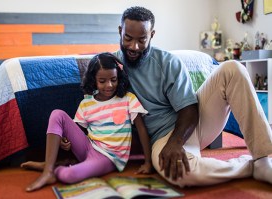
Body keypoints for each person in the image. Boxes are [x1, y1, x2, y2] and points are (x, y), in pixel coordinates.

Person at [112, 6, 272, 187]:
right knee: (180, 174)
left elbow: (189, 109)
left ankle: (262, 158)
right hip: (160, 137)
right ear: (120, 31)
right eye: (128, 38)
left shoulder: (167, 62)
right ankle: (249, 166)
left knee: (232, 69)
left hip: (194, 123)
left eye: (142, 40)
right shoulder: (112, 66)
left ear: (152, 35)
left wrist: (175, 143)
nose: (134, 46)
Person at [20, 52, 153, 192]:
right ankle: (48, 171)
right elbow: (76, 132)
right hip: (87, 148)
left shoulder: (128, 99)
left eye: (113, 80)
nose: (109, 85)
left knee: (68, 175)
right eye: (102, 81)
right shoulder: (87, 103)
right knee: (57, 114)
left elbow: (142, 129)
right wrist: (63, 139)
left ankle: (55, 166)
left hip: (108, 157)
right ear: (93, 80)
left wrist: (148, 162)